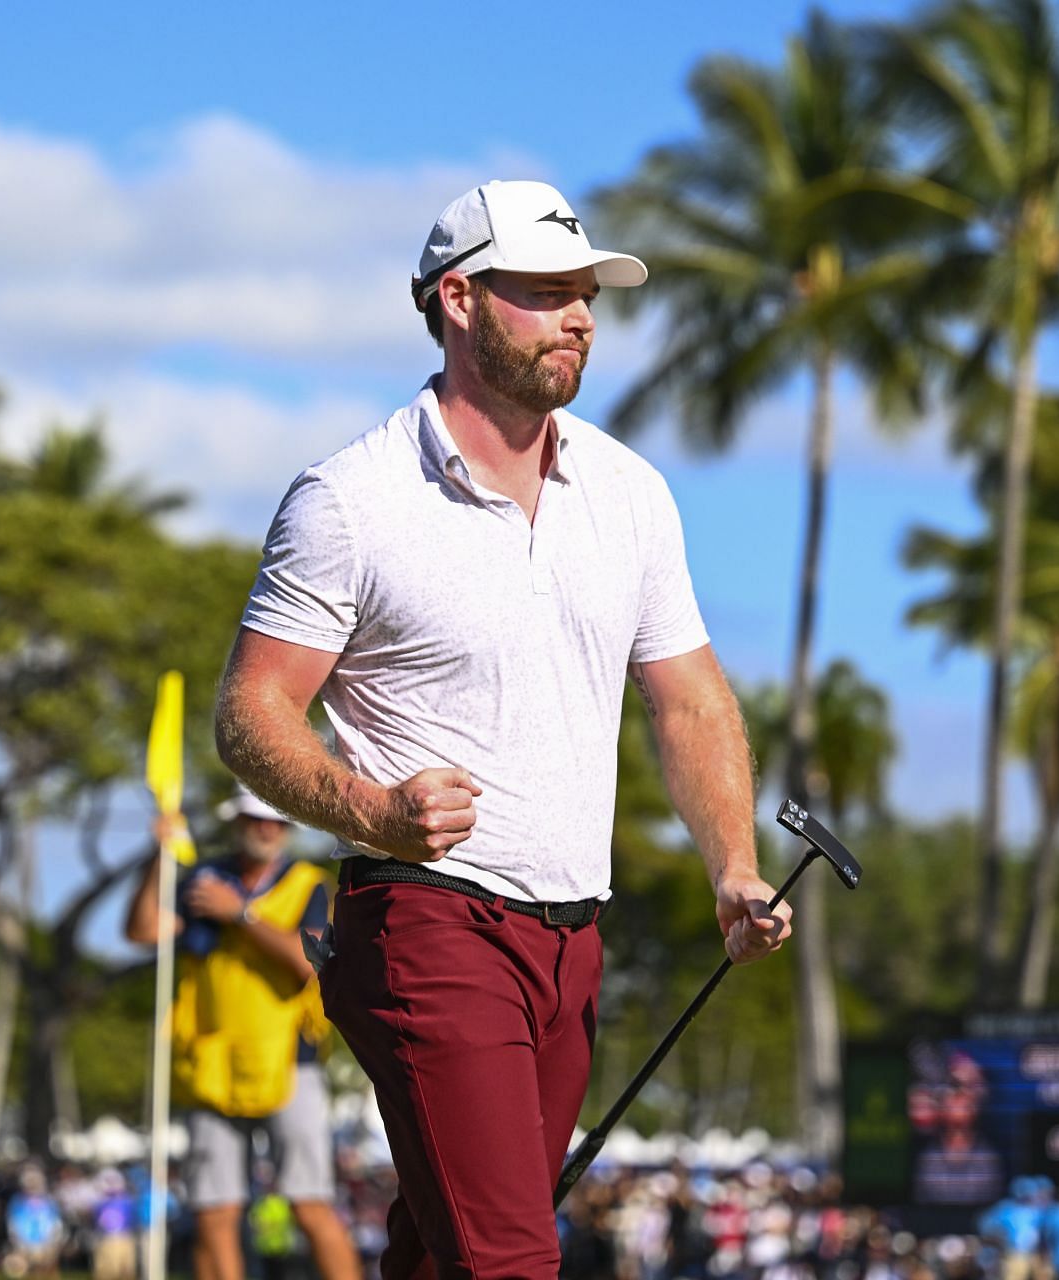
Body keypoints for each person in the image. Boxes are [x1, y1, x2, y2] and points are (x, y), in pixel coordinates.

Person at [212, 178, 792, 1278]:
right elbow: (250, 712)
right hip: (427, 923)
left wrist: (734, 866)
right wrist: (370, 807)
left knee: (444, 1252)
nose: (579, 315)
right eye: (546, 292)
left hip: (574, 942)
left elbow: (690, 696)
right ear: (460, 299)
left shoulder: (629, 492)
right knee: (513, 1260)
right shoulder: (349, 498)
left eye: (587, 294)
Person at [126, 785, 360, 1280]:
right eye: (256, 819)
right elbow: (144, 930)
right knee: (214, 1212)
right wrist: (158, 856)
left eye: (276, 821)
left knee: (310, 1203)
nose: (267, 829)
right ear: (237, 822)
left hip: (288, 1064)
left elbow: (308, 964)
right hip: (210, 1063)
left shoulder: (309, 886)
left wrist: (240, 914)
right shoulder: (203, 882)